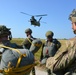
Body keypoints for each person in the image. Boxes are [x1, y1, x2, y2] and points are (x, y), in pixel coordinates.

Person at [46, 9, 76, 75]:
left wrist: (48, 60)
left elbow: (55, 65)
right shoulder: (46, 43)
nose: (71, 27)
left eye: (72, 24)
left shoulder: (72, 43)